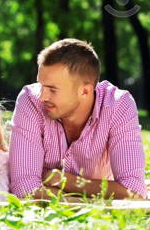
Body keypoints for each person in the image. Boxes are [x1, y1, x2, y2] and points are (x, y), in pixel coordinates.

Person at [9, 38, 147, 199]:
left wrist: (62, 180)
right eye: (41, 85)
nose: (42, 96)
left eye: (52, 90)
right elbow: (24, 187)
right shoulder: (29, 100)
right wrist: (81, 201)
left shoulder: (118, 105)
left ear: (85, 91)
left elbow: (133, 191)